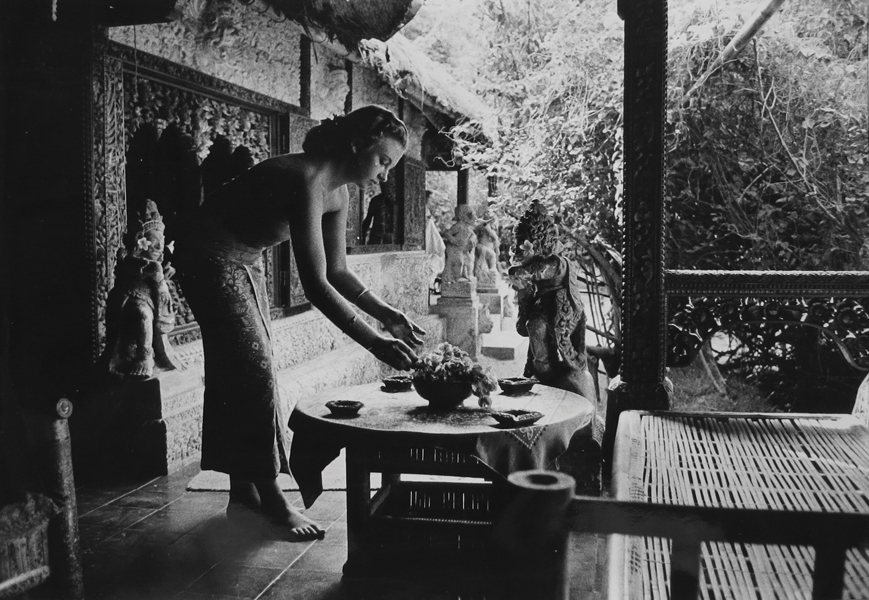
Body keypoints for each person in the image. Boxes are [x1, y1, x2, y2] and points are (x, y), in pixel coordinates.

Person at [174, 105, 425, 541]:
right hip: (206, 256)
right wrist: (374, 341)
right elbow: (315, 285)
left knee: (245, 370)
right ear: (356, 145)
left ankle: (242, 495)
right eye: (383, 161)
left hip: (244, 260)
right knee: (251, 372)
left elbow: (338, 272)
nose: (385, 175)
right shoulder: (305, 179)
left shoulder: (339, 194)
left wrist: (387, 314)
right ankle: (273, 501)